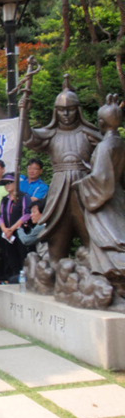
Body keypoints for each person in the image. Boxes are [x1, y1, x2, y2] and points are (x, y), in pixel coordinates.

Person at [22, 77, 102, 266]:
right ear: (55, 112)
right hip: (59, 190)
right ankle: (56, 273)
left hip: (84, 188)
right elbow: (29, 138)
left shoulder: (87, 133)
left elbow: (109, 149)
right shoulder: (52, 134)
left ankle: (98, 271)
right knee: (57, 236)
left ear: (78, 110)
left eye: (70, 109)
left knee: (91, 232)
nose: (66, 113)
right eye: (61, 110)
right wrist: (24, 114)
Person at [74, 98, 125, 284]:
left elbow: (101, 178)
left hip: (103, 198)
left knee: (109, 237)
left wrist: (81, 184)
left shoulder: (105, 146)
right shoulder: (120, 143)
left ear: (101, 123)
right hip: (117, 194)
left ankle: (113, 271)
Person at [0, 173, 31, 280]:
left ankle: (24, 279)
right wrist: (4, 229)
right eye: (5, 184)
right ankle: (14, 278)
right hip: (7, 233)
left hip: (20, 232)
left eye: (9, 183)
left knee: (22, 255)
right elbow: (1, 216)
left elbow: (26, 214)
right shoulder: (5, 199)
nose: (7, 185)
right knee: (10, 256)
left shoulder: (24, 197)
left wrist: (13, 228)